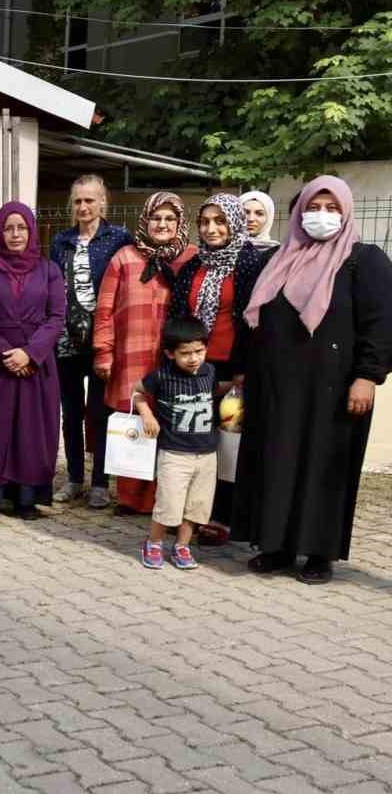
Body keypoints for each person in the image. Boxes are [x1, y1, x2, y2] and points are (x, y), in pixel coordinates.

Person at [234, 176, 392, 585]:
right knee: (278, 461)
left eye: (332, 208)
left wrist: (368, 377)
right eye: (313, 207)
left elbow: (380, 325)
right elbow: (256, 325)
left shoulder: (363, 261)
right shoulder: (279, 260)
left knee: (325, 468)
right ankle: (277, 545)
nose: (322, 216)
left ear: (346, 212)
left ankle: (320, 553)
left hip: (334, 389)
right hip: (278, 386)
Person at [167, 193, 271, 543]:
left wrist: (242, 371)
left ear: (234, 224)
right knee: (193, 439)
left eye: (220, 221)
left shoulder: (251, 264)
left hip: (233, 371)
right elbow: (179, 317)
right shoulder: (194, 265)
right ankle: (190, 514)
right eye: (206, 222)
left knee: (228, 444)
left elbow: (254, 322)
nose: (212, 229)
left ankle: (224, 518)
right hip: (194, 369)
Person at [93, 193, 195, 518]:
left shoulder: (190, 258)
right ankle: (130, 498)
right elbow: (105, 308)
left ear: (179, 224)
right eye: (156, 218)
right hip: (130, 357)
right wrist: (103, 353)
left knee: (168, 424)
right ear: (145, 221)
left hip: (174, 360)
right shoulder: (123, 258)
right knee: (134, 424)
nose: (162, 224)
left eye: (169, 219)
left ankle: (161, 497)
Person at [0, 202, 66, 522]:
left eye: (22, 227)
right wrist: (6, 352)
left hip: (37, 364)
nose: (16, 234)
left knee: (32, 431)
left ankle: (26, 499)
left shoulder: (50, 271)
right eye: (9, 228)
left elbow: (56, 316)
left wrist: (30, 353)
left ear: (32, 230)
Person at [48, 175, 131, 508]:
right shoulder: (61, 241)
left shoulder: (118, 239)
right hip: (67, 341)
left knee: (101, 412)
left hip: (102, 341)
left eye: (90, 200)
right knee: (71, 412)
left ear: (103, 202)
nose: (83, 207)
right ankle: (74, 479)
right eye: (78, 201)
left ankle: (100, 481)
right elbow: (55, 289)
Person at [134, 318, 221, 571]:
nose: (193, 358)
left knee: (197, 505)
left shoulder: (210, 372)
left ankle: (182, 546)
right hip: (174, 452)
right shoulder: (161, 376)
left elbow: (216, 393)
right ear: (170, 353)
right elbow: (137, 391)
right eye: (185, 354)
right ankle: (154, 543)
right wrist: (147, 415)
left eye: (199, 351)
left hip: (207, 453)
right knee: (169, 503)